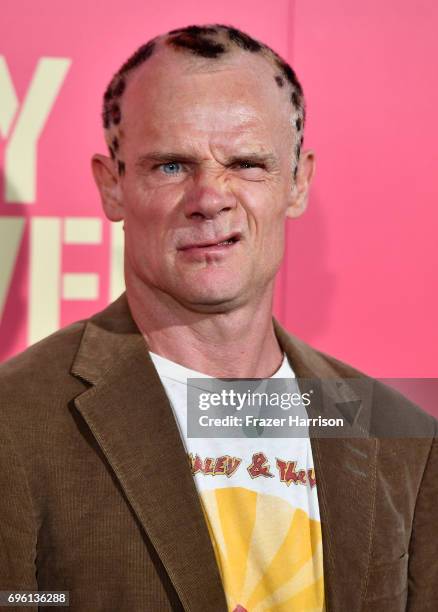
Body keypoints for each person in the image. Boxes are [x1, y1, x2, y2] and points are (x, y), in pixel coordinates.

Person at [0, 24, 436, 612]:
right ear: (112, 188)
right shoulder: (15, 423)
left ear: (298, 182)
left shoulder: (399, 436)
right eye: (172, 166)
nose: (211, 196)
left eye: (248, 164)